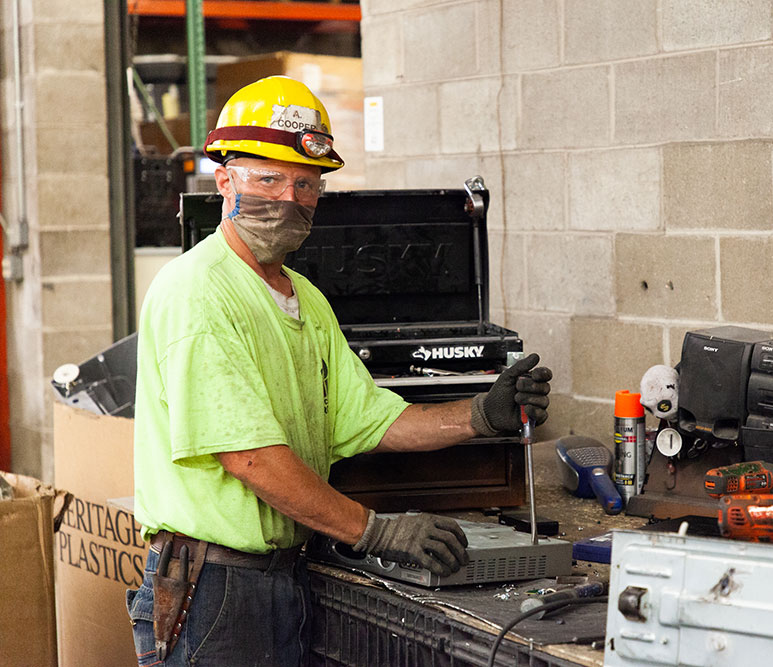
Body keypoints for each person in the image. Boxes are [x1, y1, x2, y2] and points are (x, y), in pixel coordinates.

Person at [126, 75, 551, 667]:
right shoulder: (198, 291)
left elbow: (369, 419)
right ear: (224, 181)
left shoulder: (305, 299)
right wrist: (376, 531)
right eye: (267, 178)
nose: (288, 198)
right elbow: (248, 457)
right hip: (214, 588)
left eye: (305, 183)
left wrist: (480, 415)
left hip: (287, 575)